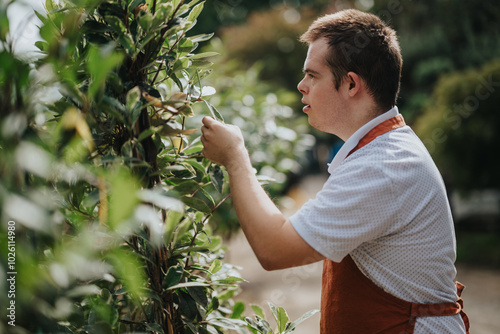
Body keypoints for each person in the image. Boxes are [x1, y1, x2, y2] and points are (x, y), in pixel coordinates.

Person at [200, 9, 469, 334]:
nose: (302, 86)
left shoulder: (383, 167)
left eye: (312, 75)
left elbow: (274, 250)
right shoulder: (379, 151)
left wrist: (235, 156)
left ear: (351, 83)